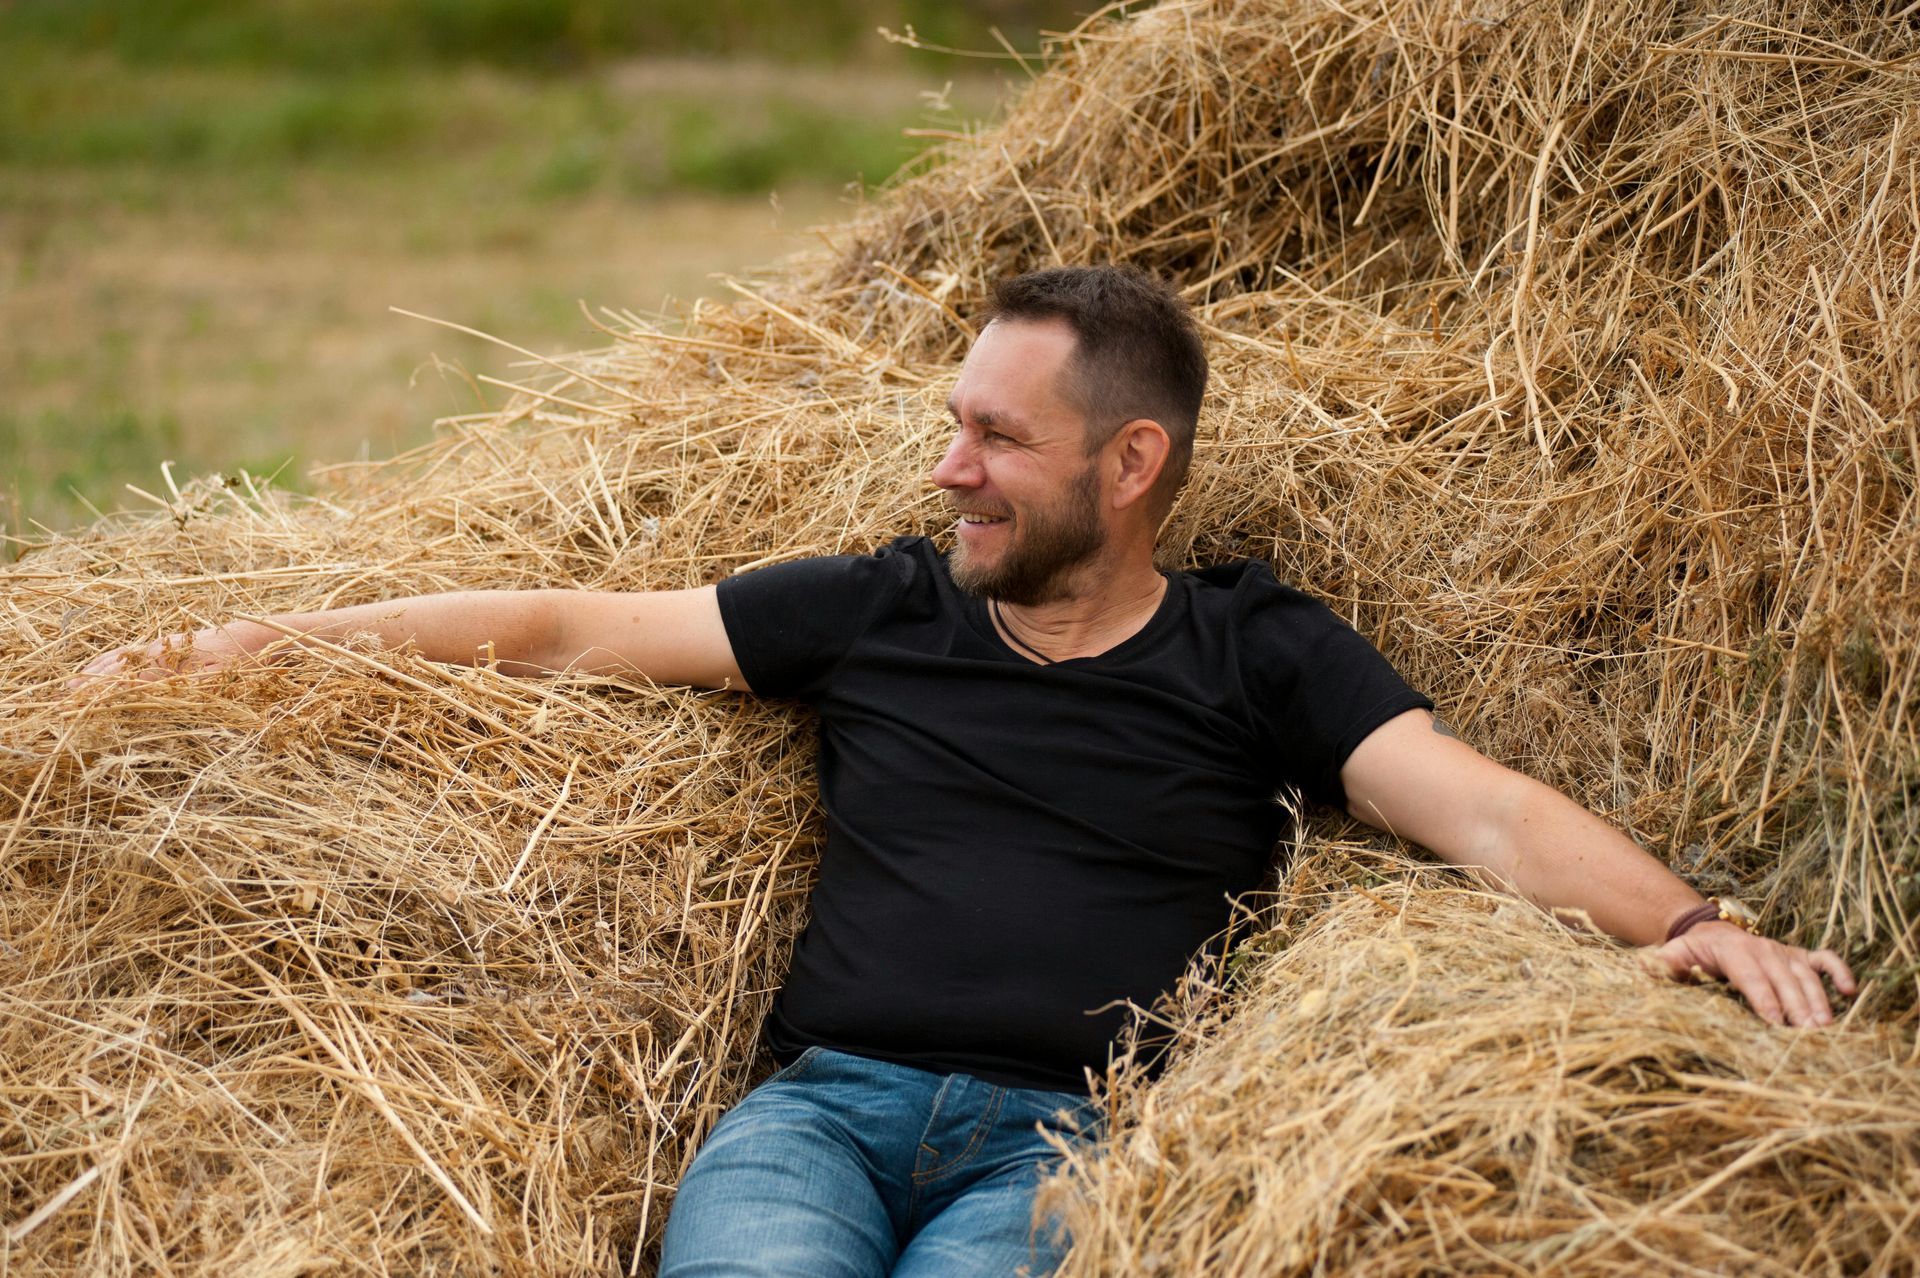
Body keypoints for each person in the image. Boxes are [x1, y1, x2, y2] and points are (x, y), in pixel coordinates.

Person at [78, 266, 1856, 1277]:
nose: (951, 470)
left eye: (999, 436)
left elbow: (1473, 804)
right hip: (820, 1116)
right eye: (953, 424)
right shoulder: (877, 611)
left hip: (1067, 1140)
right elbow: (563, 623)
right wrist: (266, 647)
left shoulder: (1260, 650)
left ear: (1133, 460)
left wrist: (1682, 919)